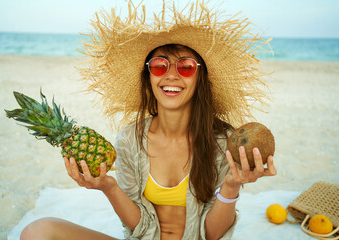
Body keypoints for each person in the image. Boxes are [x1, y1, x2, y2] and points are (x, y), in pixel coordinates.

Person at [20, 1, 275, 240]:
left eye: (185, 67)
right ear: (149, 77)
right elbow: (138, 225)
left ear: (200, 78)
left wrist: (231, 187)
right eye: (159, 66)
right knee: (38, 230)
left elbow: (212, 235)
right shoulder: (129, 140)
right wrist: (109, 187)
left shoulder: (222, 141)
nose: (171, 76)